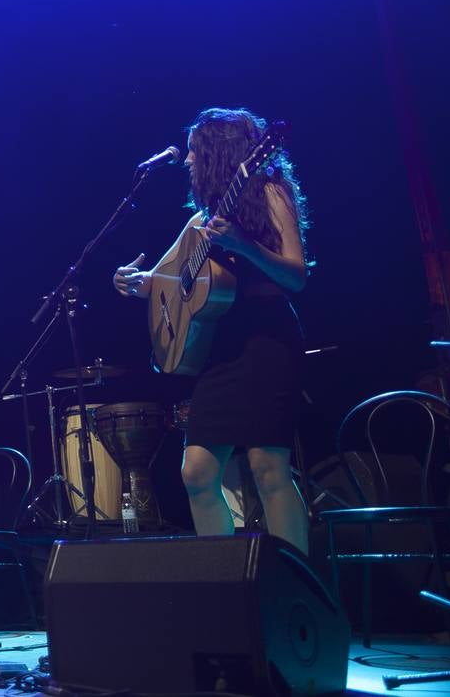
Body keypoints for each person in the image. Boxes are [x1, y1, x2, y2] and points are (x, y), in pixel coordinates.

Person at [113, 107, 311, 554]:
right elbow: (162, 283)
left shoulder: (269, 191)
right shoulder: (201, 221)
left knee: (267, 467)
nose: (186, 162)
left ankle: (296, 586)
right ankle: (222, 579)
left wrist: (245, 246)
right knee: (197, 473)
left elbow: (296, 276)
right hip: (220, 349)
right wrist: (132, 281)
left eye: (194, 153)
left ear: (218, 153)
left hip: (266, 340)